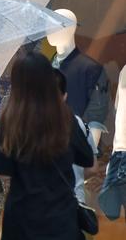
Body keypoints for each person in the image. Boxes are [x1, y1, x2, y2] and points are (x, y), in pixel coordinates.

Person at [0, 52, 94, 240]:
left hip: (20, 223)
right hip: (61, 221)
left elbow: (1, 168)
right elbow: (87, 160)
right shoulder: (65, 118)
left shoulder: (9, 121)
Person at [53, 68, 98, 203]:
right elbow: (92, 168)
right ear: (65, 96)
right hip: (74, 204)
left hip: (39, 210)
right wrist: (77, 175)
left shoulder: (27, 125)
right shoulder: (77, 122)